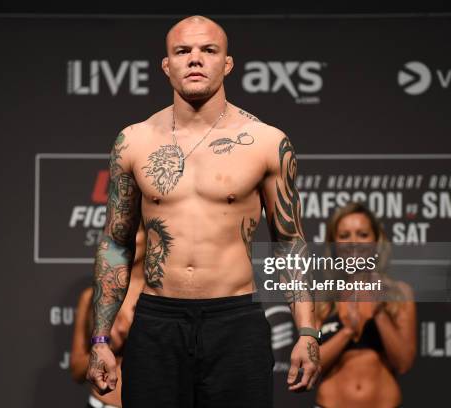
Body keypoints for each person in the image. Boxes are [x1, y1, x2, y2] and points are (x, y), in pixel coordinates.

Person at [86, 15, 321, 407]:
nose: (195, 59)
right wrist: (100, 338)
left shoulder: (266, 142)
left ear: (227, 63)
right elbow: (116, 243)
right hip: (158, 321)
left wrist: (308, 332)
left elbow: (290, 243)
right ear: (167, 65)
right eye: (183, 51)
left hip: (236, 320)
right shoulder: (134, 141)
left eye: (208, 50)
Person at [315, 202, 416, 408]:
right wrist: (348, 331)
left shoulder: (398, 294)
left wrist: (378, 313)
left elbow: (403, 363)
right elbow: (312, 365)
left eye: (362, 234)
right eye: (344, 236)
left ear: (376, 241)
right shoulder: (321, 297)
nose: (354, 242)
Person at [71, 227, 145, 407]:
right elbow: (77, 370)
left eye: (135, 230)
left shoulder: (162, 298)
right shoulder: (91, 296)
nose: (126, 239)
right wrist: (105, 345)